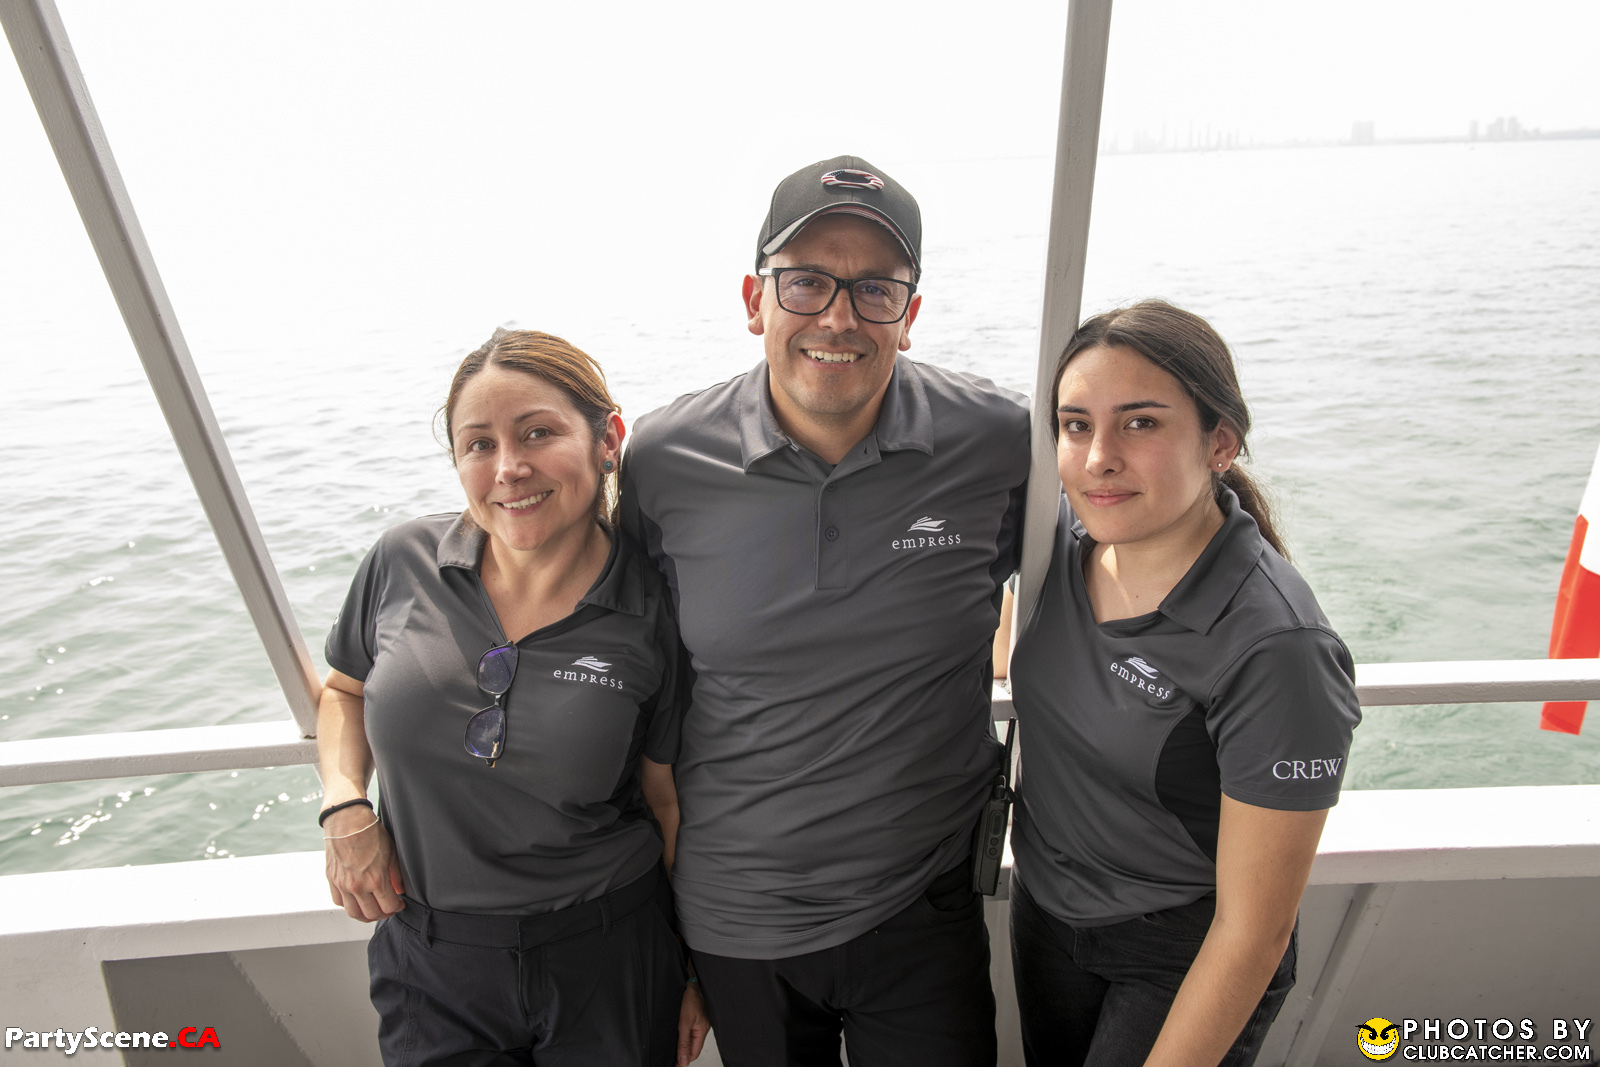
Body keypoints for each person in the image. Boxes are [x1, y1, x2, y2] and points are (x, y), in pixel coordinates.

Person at [620, 156, 1030, 1066]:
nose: (839, 317)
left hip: (924, 900)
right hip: (735, 915)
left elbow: (1107, 561)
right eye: (805, 281)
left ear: (910, 316)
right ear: (754, 300)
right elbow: (629, 657)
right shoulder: (664, 458)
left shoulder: (999, 441)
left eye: (875, 288)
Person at [317, 329, 711, 1067]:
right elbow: (343, 689)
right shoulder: (403, 561)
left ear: (607, 439)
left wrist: (693, 970)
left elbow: (667, 803)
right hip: (431, 959)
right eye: (479, 444)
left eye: (537, 433)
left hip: (609, 954)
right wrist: (345, 806)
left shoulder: (655, 607)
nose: (509, 468)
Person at [1002, 300, 1362, 1067]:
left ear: (1220, 441)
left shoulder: (1277, 648)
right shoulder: (1055, 541)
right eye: (1075, 425)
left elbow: (1254, 930)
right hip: (1048, 916)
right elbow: (1009, 650)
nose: (1099, 457)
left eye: (1140, 423)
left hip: (1182, 951)